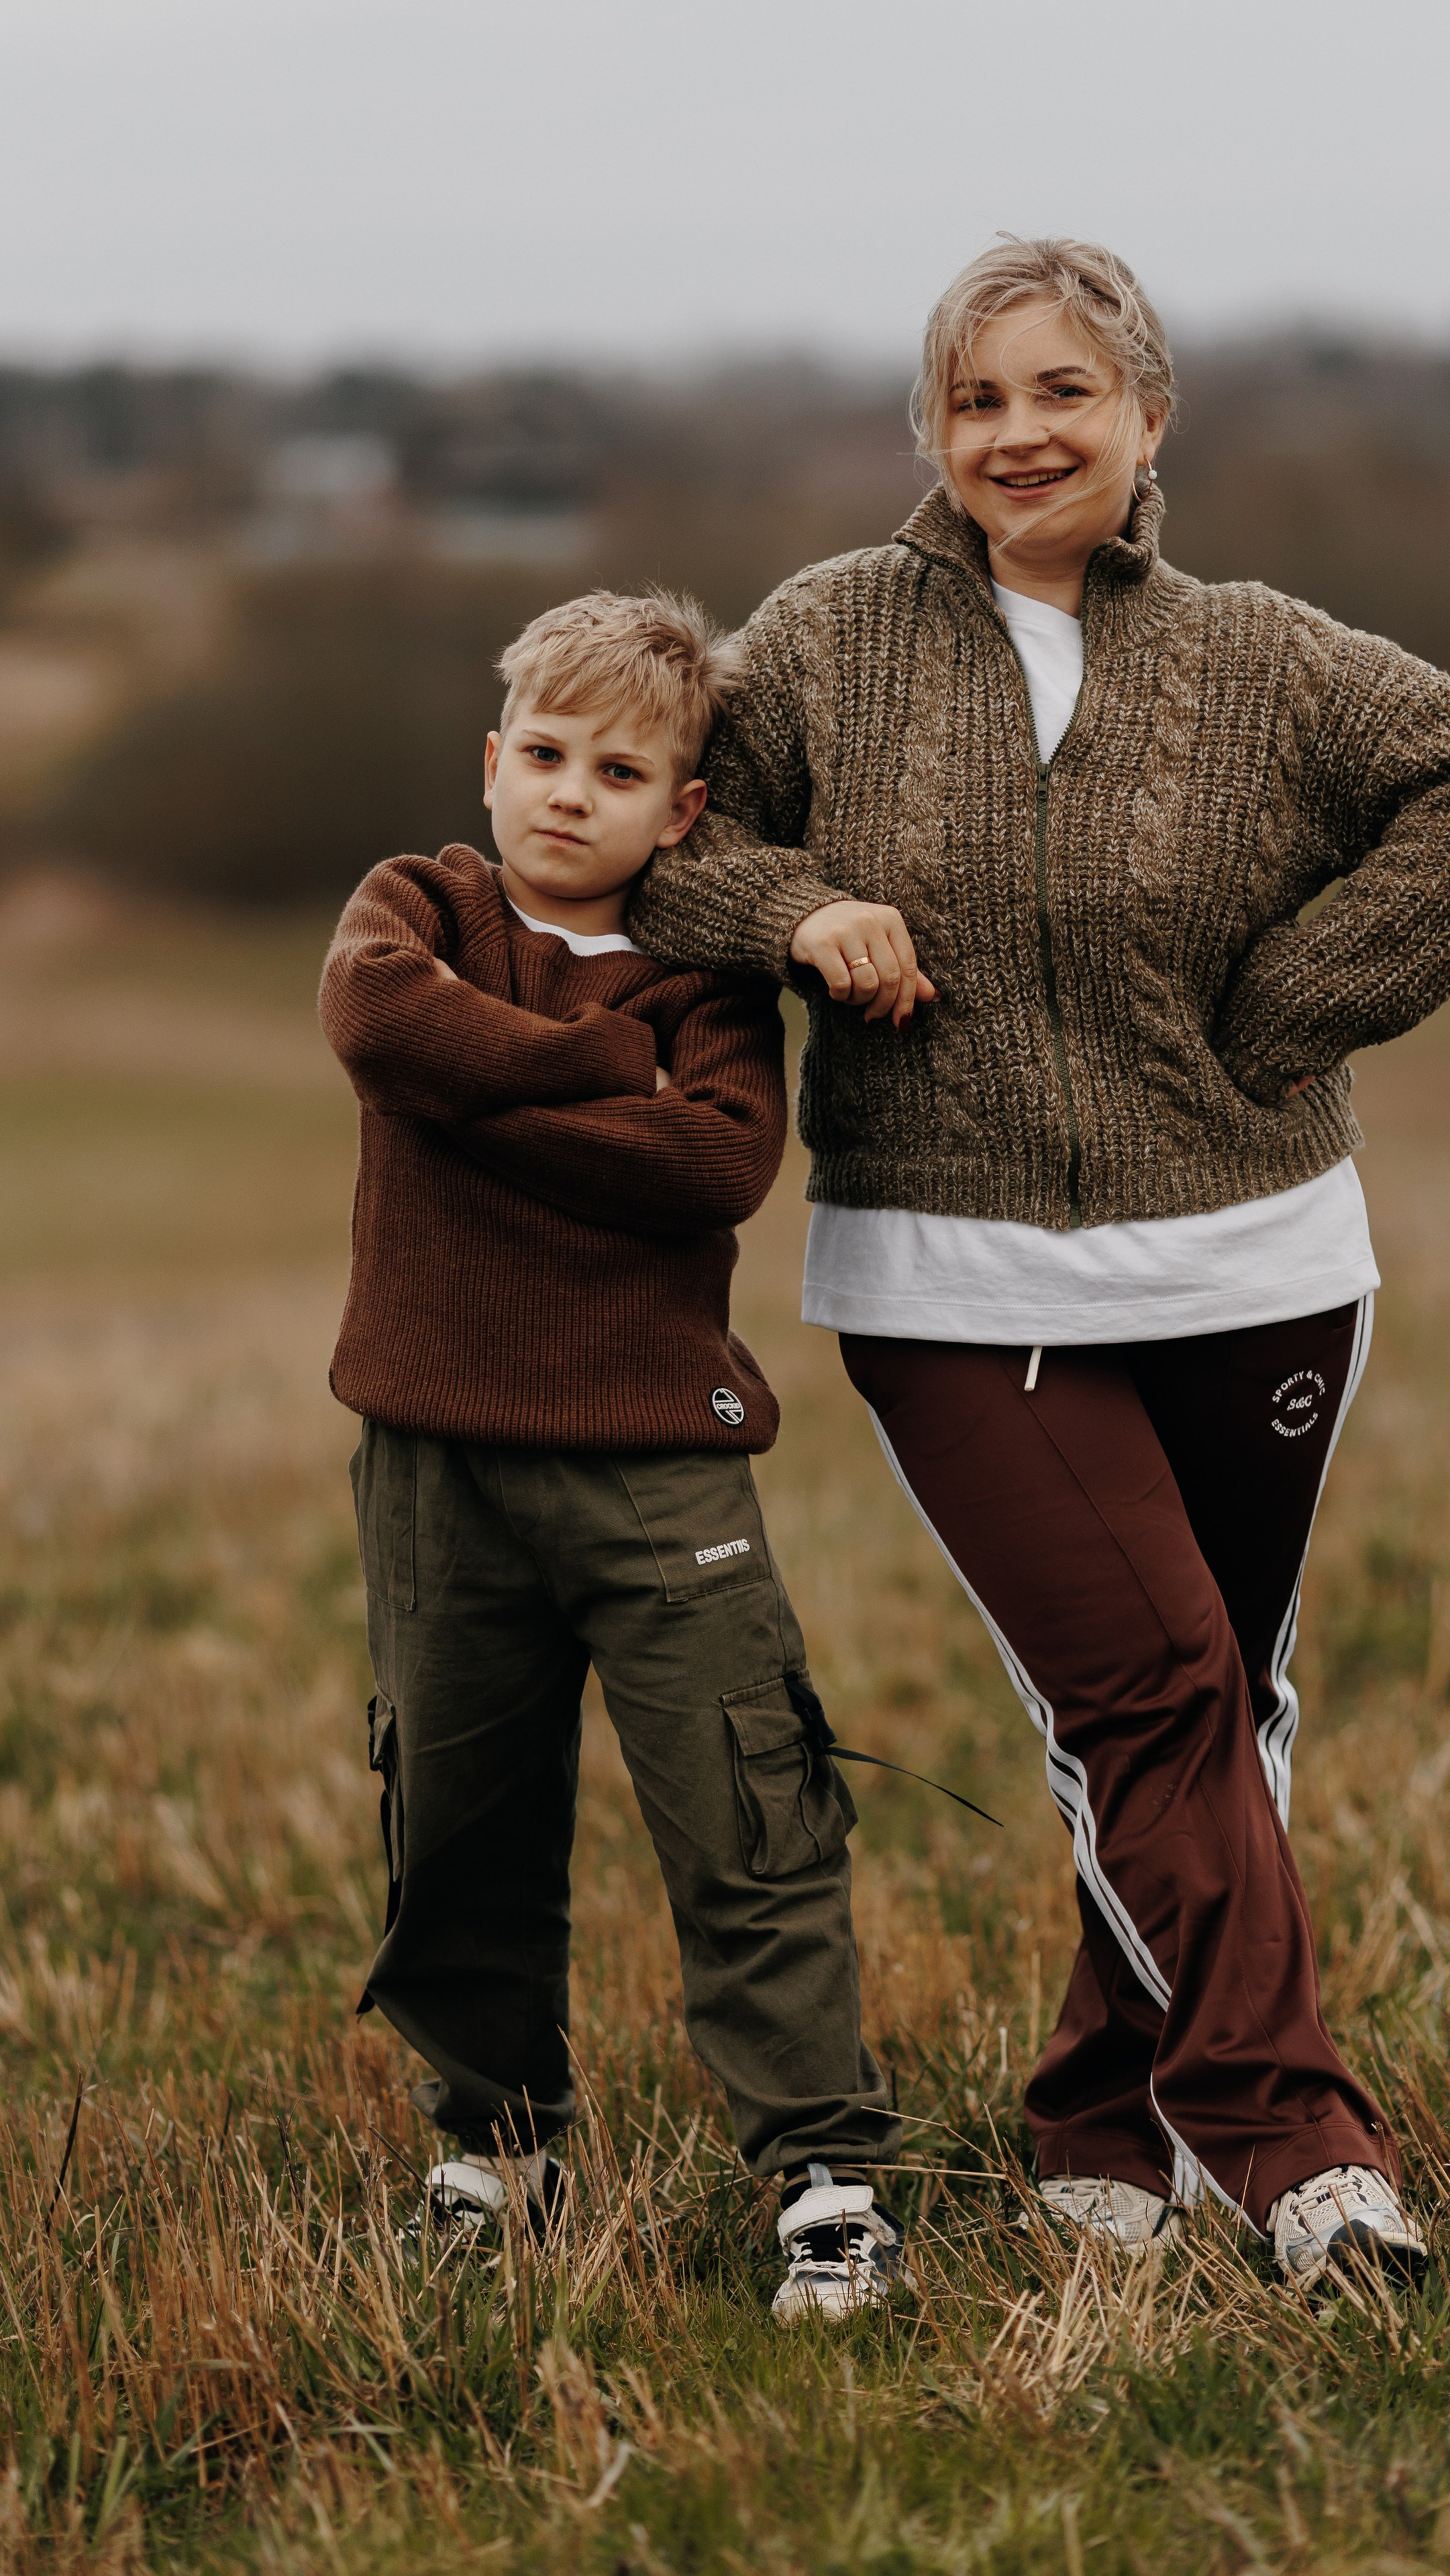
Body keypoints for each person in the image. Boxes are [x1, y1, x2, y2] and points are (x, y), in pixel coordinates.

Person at [627, 239, 1450, 2285]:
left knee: (1213, 1703)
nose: (1017, 434)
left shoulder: (1265, 657)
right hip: (953, 1271)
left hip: (1261, 1256)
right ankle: (1294, 2138)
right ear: (933, 434)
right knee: (1144, 1687)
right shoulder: (828, 639)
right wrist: (797, 909)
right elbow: (668, 848)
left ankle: (1103, 2117)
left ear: (1149, 415)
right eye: (975, 401)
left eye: (1061, 391)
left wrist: (1288, 1007)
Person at [318, 588, 909, 2322]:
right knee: (461, 1810)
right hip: (437, 1464)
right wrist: (599, 1072)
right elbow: (380, 1029)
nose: (574, 794)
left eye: (622, 770)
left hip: (657, 1468)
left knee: (747, 1809)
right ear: (494, 763)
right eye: (549, 756)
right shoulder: (412, 907)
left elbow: (713, 1168)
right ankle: (493, 2147)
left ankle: (822, 2174)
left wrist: (510, 1093)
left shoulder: (711, 983)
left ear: (683, 812)